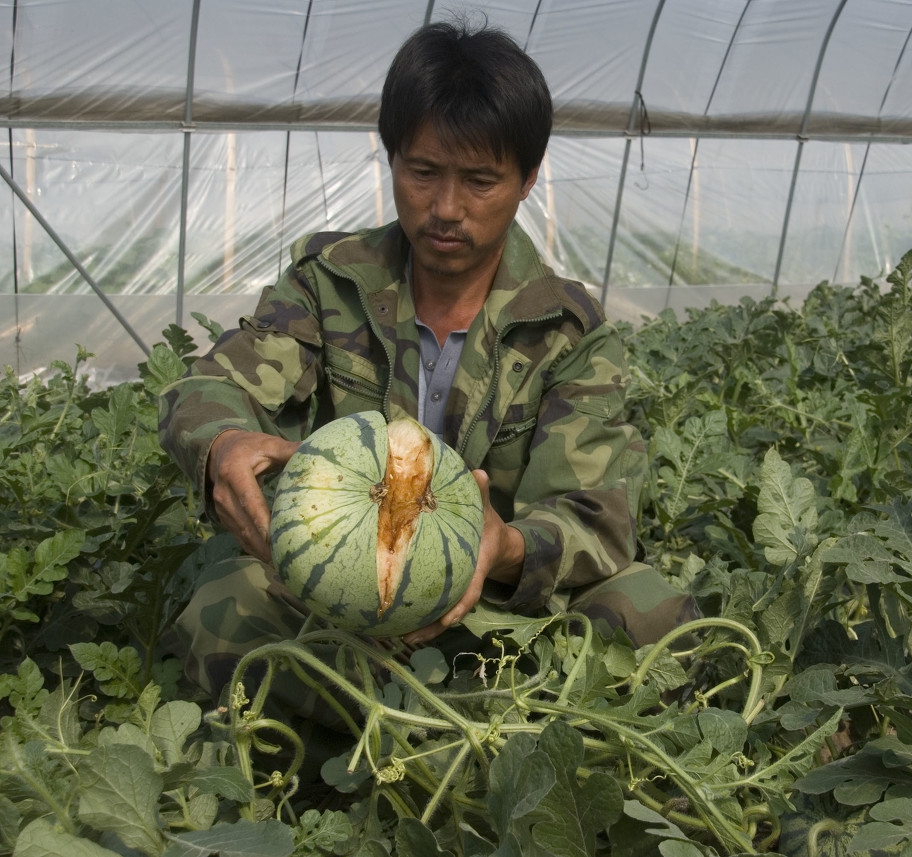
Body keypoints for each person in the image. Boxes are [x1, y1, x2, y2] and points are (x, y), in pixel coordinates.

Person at [158, 20, 699, 709]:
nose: (446, 209)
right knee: (227, 605)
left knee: (651, 611)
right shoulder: (330, 286)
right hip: (335, 605)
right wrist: (222, 443)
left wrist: (504, 546)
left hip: (498, 614)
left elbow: (596, 517)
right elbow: (210, 386)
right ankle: (365, 764)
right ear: (391, 161)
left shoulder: (567, 333)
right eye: (422, 172)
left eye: (479, 180)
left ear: (528, 178)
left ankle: (452, 732)